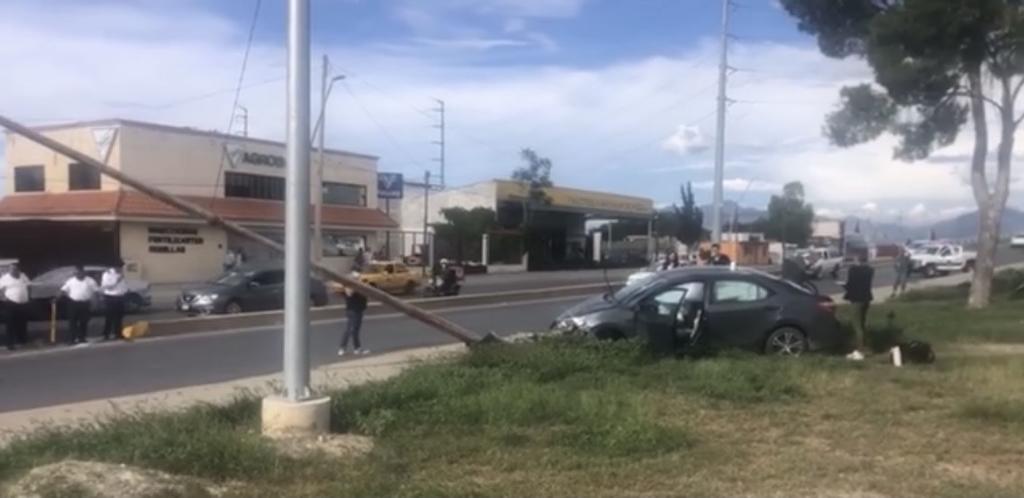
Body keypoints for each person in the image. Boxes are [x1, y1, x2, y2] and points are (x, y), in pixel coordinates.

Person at [844, 255, 875, 361]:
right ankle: (863, 348)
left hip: (856, 300)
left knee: (856, 325)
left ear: (857, 260)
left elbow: (850, 284)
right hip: (866, 299)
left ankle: (860, 351)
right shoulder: (870, 270)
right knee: (862, 323)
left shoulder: (853, 270)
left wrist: (844, 286)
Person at [60, 266, 99, 346]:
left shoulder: (90, 281)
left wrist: (95, 302)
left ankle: (82, 338)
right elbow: (63, 290)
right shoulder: (71, 281)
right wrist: (57, 297)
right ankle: (72, 339)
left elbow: (95, 291)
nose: (79, 274)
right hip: (73, 304)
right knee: (72, 322)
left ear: (84, 272)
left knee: (84, 322)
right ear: (75, 273)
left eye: (80, 272)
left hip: (85, 304)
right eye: (77, 273)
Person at [0, 263, 31, 350]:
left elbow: (28, 286)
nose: (14, 271)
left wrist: (29, 297)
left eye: (15, 269)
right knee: (10, 324)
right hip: (11, 303)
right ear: (9, 270)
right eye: (12, 269)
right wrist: (3, 297)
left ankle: (22, 341)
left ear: (18, 269)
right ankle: (10, 344)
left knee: (22, 323)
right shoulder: (5, 278)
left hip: (23, 303)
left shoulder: (23, 275)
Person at [338, 273, 369, 356]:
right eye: (357, 278)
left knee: (352, 330)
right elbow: (352, 294)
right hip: (356, 311)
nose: (359, 279)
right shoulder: (354, 289)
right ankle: (348, 348)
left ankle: (353, 348)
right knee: (352, 330)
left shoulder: (349, 288)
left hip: (352, 310)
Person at [101, 261, 128, 341]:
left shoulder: (121, 274)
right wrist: (117, 280)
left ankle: (118, 334)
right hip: (111, 297)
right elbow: (106, 286)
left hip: (120, 297)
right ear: (114, 266)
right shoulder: (107, 274)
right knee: (109, 317)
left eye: (121, 267)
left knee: (119, 317)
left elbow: (123, 285)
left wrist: (125, 291)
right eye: (119, 267)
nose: (121, 268)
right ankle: (106, 334)